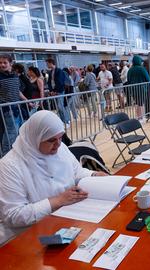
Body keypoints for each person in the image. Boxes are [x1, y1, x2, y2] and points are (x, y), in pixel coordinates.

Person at [0, 110, 107, 245]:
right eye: (51, 140)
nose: (58, 144)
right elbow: (14, 215)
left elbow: (76, 172)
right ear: (35, 138)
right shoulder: (10, 166)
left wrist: (94, 175)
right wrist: (57, 200)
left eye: (61, 137)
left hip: (66, 219)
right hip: (27, 236)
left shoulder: (60, 148)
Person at [0, 55, 28, 156]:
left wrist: (26, 100)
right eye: (0, 63)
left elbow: (17, 91)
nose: (2, 65)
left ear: (10, 64)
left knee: (18, 132)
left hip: (17, 108)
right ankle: (5, 156)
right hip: (7, 110)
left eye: (4, 62)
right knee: (10, 134)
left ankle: (15, 153)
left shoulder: (15, 76)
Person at [46, 58, 69, 125]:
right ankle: (62, 121)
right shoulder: (50, 72)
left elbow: (60, 82)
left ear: (51, 63)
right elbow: (49, 82)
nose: (47, 65)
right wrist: (51, 91)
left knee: (60, 106)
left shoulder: (59, 71)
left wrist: (55, 91)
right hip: (54, 91)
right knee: (59, 107)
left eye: (47, 63)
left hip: (60, 91)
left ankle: (66, 121)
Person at [127, 55, 150, 119]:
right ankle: (141, 117)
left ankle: (138, 116)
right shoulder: (142, 69)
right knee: (141, 103)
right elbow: (148, 79)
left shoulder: (130, 70)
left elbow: (128, 80)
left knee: (137, 103)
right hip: (142, 89)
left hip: (133, 89)